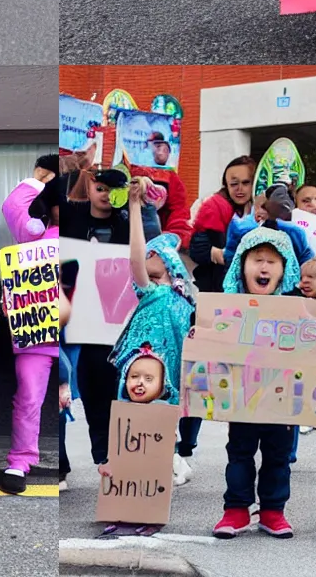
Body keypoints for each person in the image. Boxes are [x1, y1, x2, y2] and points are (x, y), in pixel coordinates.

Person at [57, 161, 161, 477]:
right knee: (92, 396)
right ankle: (104, 462)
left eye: (111, 190)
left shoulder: (129, 220)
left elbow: (153, 250)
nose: (105, 195)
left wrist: (139, 201)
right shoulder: (72, 216)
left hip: (125, 326)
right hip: (83, 324)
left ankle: (129, 465)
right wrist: (74, 164)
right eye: (99, 187)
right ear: (87, 188)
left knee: (128, 394)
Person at [212, 227, 309, 538]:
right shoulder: (228, 305)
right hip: (242, 397)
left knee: (278, 456)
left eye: (272, 261)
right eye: (256, 260)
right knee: (239, 452)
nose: (264, 267)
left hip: (281, 401)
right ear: (242, 263)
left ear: (285, 270)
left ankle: (272, 511)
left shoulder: (298, 306)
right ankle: (236, 510)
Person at [107, 180, 197, 497]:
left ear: (170, 263)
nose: (146, 263)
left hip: (170, 376)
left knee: (162, 426)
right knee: (133, 421)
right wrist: (134, 208)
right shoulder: (150, 292)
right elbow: (135, 261)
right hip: (141, 368)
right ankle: (130, 480)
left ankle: (156, 479)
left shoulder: (187, 304)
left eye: (154, 257)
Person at [0, 160, 72, 494]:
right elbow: (11, 205)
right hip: (36, 333)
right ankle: (20, 461)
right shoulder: (34, 232)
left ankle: (97, 462)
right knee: (29, 397)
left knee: (82, 398)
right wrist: (39, 179)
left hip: (77, 333)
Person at [188, 155, 257, 294]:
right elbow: (199, 250)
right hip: (215, 286)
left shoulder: (261, 209)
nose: (239, 189)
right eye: (234, 184)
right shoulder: (212, 205)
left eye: (245, 182)